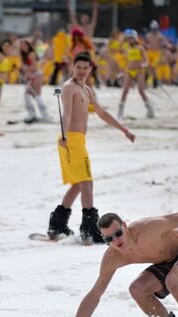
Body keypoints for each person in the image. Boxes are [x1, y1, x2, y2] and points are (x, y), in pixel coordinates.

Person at [47, 52, 135, 243]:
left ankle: (57, 225)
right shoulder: (69, 87)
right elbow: (67, 115)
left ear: (90, 69)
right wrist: (63, 135)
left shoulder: (87, 90)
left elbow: (102, 113)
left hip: (79, 140)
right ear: (73, 67)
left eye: (85, 68)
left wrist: (123, 129)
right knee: (87, 182)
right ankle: (89, 230)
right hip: (70, 139)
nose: (81, 71)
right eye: (78, 67)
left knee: (79, 184)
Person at [117, 29, 154, 120]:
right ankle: (120, 112)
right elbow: (125, 60)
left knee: (141, 90)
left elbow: (146, 59)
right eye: (128, 39)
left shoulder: (140, 48)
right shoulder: (128, 49)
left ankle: (150, 110)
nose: (129, 41)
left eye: (131, 39)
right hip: (129, 71)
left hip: (139, 71)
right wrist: (122, 72)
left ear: (135, 38)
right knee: (125, 91)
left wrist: (145, 64)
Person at [21, 40, 52, 124]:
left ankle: (43, 115)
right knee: (29, 94)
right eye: (22, 46)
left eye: (25, 46)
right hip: (33, 76)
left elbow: (34, 67)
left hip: (36, 75)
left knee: (36, 94)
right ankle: (34, 114)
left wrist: (23, 69)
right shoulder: (26, 55)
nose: (23, 47)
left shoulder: (31, 54)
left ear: (29, 46)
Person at [144, 20, 168, 88]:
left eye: (155, 29)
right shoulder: (148, 36)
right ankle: (148, 80)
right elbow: (144, 44)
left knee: (153, 67)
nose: (154, 31)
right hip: (149, 53)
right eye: (153, 29)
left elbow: (163, 47)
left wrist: (163, 56)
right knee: (147, 67)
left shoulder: (161, 36)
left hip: (157, 53)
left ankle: (155, 81)